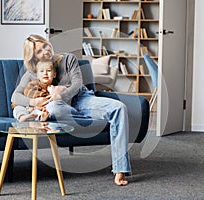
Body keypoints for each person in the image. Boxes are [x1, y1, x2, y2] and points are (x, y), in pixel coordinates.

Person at [11, 34, 131, 186]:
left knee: (119, 108)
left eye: (45, 46)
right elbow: (15, 96)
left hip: (82, 100)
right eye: (39, 51)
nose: (45, 51)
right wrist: (34, 101)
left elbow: (77, 83)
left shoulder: (68, 59)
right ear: (33, 57)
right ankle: (82, 118)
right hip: (58, 108)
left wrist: (60, 96)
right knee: (53, 108)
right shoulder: (33, 72)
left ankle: (120, 169)